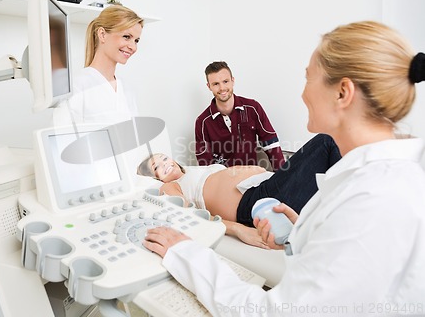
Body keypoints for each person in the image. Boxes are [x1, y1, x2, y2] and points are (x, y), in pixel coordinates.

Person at [143, 21, 425, 315]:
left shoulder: (371, 200)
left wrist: (186, 254)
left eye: (308, 78)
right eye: (157, 166)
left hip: (262, 187)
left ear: (343, 93)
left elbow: (276, 312)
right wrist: (302, 233)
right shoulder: (383, 180)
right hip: (253, 200)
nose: (303, 94)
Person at [137, 133, 341, 247]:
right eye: (157, 167)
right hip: (257, 202)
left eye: (164, 158)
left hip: (265, 185)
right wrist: (238, 229)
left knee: (328, 160)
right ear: (155, 177)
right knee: (325, 143)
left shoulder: (192, 170)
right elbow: (190, 216)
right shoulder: (170, 186)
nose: (164, 164)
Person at [195, 61, 285, 170]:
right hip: (223, 181)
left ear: (233, 81)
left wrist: (282, 176)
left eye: (225, 81)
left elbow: (270, 142)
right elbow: (204, 162)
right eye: (216, 84)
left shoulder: (252, 108)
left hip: (251, 178)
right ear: (209, 86)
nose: (222, 88)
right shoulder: (202, 122)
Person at [65, 5, 144, 125]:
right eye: (126, 37)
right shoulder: (77, 86)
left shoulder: (126, 89)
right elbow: (62, 139)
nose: (133, 47)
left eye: (136, 41)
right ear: (102, 34)